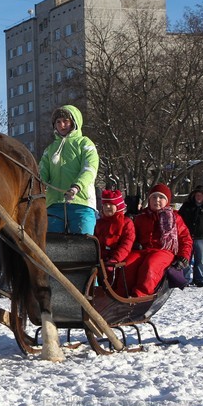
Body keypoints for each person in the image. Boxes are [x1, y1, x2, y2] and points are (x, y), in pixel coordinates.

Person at [122, 184, 193, 297]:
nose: (157, 200)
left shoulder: (174, 218)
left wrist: (183, 256)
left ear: (167, 201)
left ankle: (140, 295)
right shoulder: (141, 216)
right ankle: (121, 294)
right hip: (143, 250)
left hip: (164, 251)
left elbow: (185, 239)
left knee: (151, 265)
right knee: (127, 264)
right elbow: (130, 235)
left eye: (161, 197)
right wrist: (134, 243)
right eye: (154, 197)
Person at [39, 105, 99, 235]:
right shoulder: (49, 150)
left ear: (74, 122)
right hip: (54, 205)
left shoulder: (85, 144)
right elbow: (41, 174)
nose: (62, 125)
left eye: (66, 121)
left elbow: (90, 169)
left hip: (81, 203)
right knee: (53, 247)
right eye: (58, 122)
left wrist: (76, 187)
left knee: (84, 246)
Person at [94, 189, 135, 286]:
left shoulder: (126, 223)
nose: (107, 207)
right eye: (105, 204)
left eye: (111, 204)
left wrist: (115, 259)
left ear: (118, 206)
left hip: (118, 261)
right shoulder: (99, 223)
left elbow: (126, 243)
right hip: (101, 260)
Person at [178, 185, 203, 286]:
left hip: (202, 237)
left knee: (200, 260)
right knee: (186, 259)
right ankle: (185, 279)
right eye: (197, 195)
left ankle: (199, 279)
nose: (199, 197)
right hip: (187, 237)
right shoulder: (187, 206)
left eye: (201, 195)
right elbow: (179, 218)